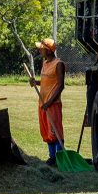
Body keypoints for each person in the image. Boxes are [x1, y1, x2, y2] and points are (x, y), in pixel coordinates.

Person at [28, 37, 65, 166]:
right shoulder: (45, 63)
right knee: (46, 131)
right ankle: (52, 156)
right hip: (42, 103)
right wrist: (35, 82)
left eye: (42, 49)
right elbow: (45, 82)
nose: (40, 51)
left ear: (49, 51)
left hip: (52, 104)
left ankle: (60, 157)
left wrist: (49, 103)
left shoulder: (58, 64)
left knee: (56, 131)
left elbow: (60, 86)